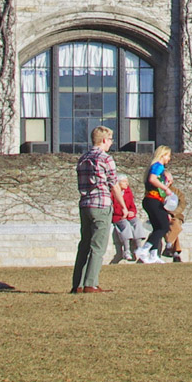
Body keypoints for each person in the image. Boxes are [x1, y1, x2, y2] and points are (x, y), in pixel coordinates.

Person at [72, 124, 120, 294]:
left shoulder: (83, 158)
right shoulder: (106, 158)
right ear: (104, 140)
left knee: (84, 245)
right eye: (110, 140)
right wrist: (121, 204)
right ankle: (91, 284)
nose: (111, 143)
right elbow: (113, 184)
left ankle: (77, 284)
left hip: (85, 204)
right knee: (98, 246)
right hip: (101, 204)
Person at [143, 144, 178, 261]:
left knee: (157, 227)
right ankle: (144, 250)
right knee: (164, 226)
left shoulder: (157, 168)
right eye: (168, 156)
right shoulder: (158, 166)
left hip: (152, 200)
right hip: (153, 200)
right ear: (163, 155)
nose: (169, 159)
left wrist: (167, 184)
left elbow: (156, 184)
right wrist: (166, 188)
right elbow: (152, 179)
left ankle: (153, 254)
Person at [110, 174, 144, 264]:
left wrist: (132, 211)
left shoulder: (128, 192)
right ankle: (127, 250)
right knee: (126, 225)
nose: (127, 183)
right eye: (124, 181)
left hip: (129, 215)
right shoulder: (113, 193)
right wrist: (123, 213)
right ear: (118, 183)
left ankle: (139, 248)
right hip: (118, 216)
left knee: (137, 223)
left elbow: (132, 206)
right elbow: (113, 208)